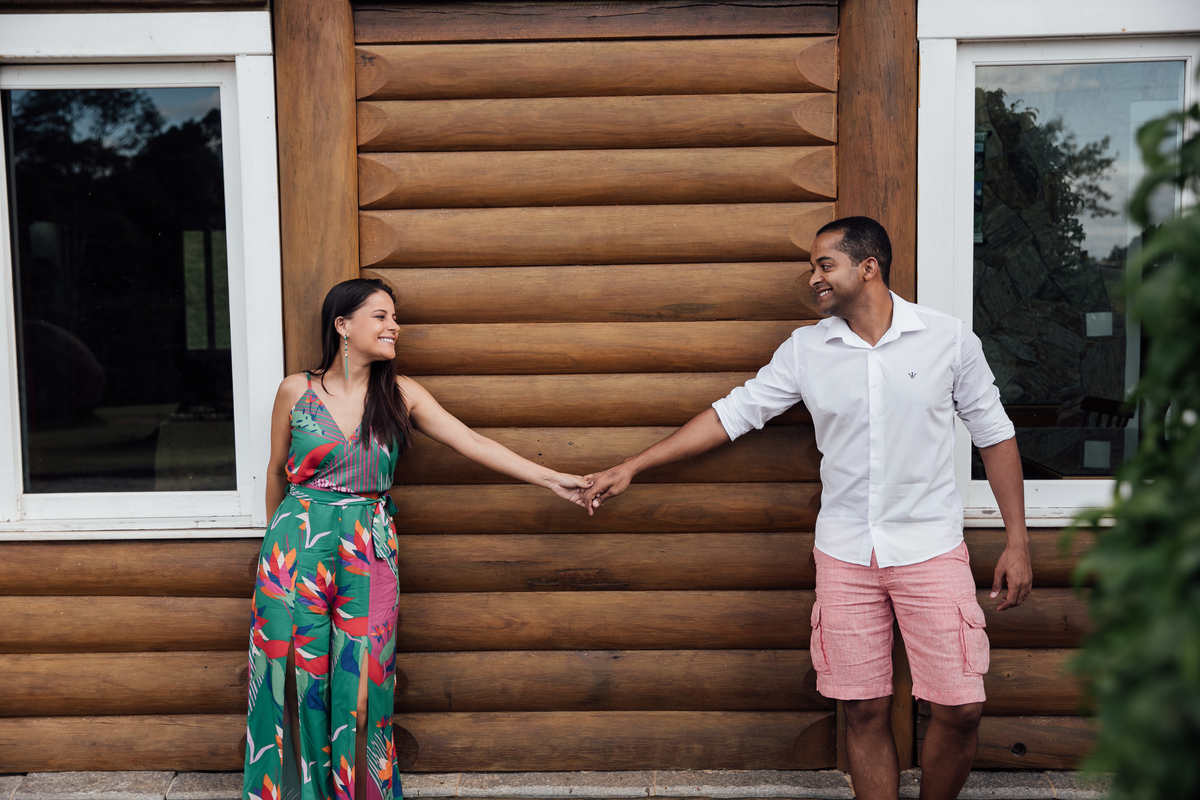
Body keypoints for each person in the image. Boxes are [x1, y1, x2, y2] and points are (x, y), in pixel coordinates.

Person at [581, 217, 1032, 800]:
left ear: (868, 267)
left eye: (825, 265)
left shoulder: (948, 340)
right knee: (864, 710)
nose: (813, 278)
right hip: (844, 553)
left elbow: (994, 435)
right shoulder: (806, 349)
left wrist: (1017, 539)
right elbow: (732, 414)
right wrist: (633, 465)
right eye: (812, 267)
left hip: (931, 550)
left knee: (961, 706)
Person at [244, 278, 590, 800]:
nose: (394, 326)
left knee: (362, 694)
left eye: (393, 317)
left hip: (369, 549)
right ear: (343, 325)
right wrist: (277, 546)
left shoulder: (402, 394)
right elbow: (275, 472)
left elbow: (471, 442)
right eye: (380, 316)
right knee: (293, 683)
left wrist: (553, 479)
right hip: (294, 551)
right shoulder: (296, 390)